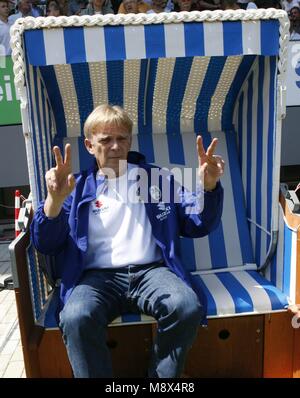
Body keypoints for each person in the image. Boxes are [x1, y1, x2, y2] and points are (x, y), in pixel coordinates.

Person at [31, 104, 225, 378]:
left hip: (153, 272)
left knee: (186, 306)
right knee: (75, 317)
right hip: (95, 278)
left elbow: (197, 223)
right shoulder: (75, 186)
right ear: (89, 145)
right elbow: (46, 244)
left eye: (121, 138)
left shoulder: (156, 178)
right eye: (105, 140)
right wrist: (55, 200)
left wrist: (209, 186)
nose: (114, 146)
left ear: (130, 141)